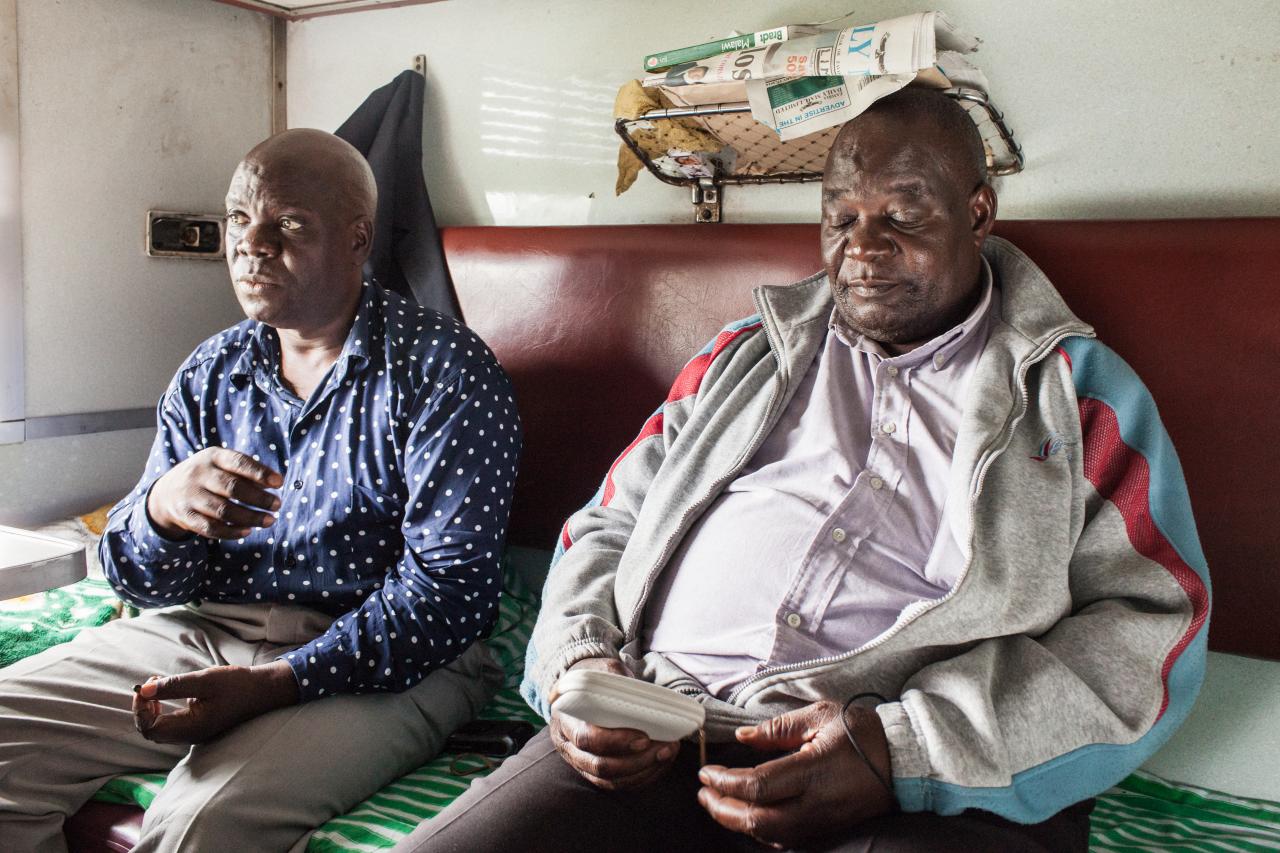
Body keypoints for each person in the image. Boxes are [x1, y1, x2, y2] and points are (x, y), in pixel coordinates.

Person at [394, 88, 1210, 852]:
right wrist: (577, 666)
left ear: (978, 213)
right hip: (656, 727)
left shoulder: (1077, 396)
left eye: (901, 213)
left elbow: (1152, 622)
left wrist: (902, 749)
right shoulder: (744, 356)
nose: (862, 246)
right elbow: (608, 522)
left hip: (910, 772)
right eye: (840, 215)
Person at [0, 129, 522, 852]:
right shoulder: (211, 371)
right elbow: (136, 577)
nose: (252, 243)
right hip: (211, 629)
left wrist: (278, 682)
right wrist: (161, 513)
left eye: (290, 224)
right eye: (239, 218)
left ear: (357, 239)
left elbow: (451, 594)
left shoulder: (444, 371)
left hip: (386, 661)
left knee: (200, 826)